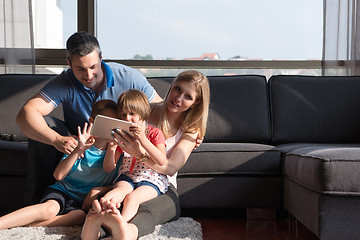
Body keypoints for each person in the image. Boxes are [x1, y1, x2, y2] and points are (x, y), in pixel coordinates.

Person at [16, 31, 162, 206]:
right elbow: (25, 115)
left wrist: (189, 132)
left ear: (101, 58)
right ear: (69, 63)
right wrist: (57, 140)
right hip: (82, 144)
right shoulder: (64, 82)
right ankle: (38, 201)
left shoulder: (129, 77)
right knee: (47, 124)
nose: (88, 75)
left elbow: (161, 111)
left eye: (93, 67)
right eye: (80, 69)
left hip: (119, 148)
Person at [81, 70, 210, 240]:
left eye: (188, 96)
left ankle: (126, 232)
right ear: (171, 86)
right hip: (128, 176)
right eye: (178, 89)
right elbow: (112, 127)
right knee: (113, 202)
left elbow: (169, 168)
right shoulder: (141, 111)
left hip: (162, 186)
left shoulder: (191, 129)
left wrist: (139, 154)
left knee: (146, 210)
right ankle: (95, 229)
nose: (178, 98)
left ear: (195, 103)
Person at [0, 100, 121, 229]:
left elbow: (121, 181)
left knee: (79, 217)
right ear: (92, 121)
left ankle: (24, 224)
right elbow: (58, 175)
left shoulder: (118, 152)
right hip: (63, 191)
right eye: (107, 121)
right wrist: (78, 150)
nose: (111, 127)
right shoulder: (78, 143)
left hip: (83, 203)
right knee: (49, 209)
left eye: (115, 122)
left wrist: (100, 190)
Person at [92, 89, 169, 225]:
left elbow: (162, 161)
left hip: (151, 179)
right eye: (123, 115)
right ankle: (103, 211)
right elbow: (108, 168)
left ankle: (121, 224)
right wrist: (111, 148)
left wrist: (143, 140)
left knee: (132, 198)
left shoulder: (154, 133)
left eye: (132, 114)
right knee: (119, 191)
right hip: (128, 176)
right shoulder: (124, 136)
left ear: (142, 113)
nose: (127, 118)